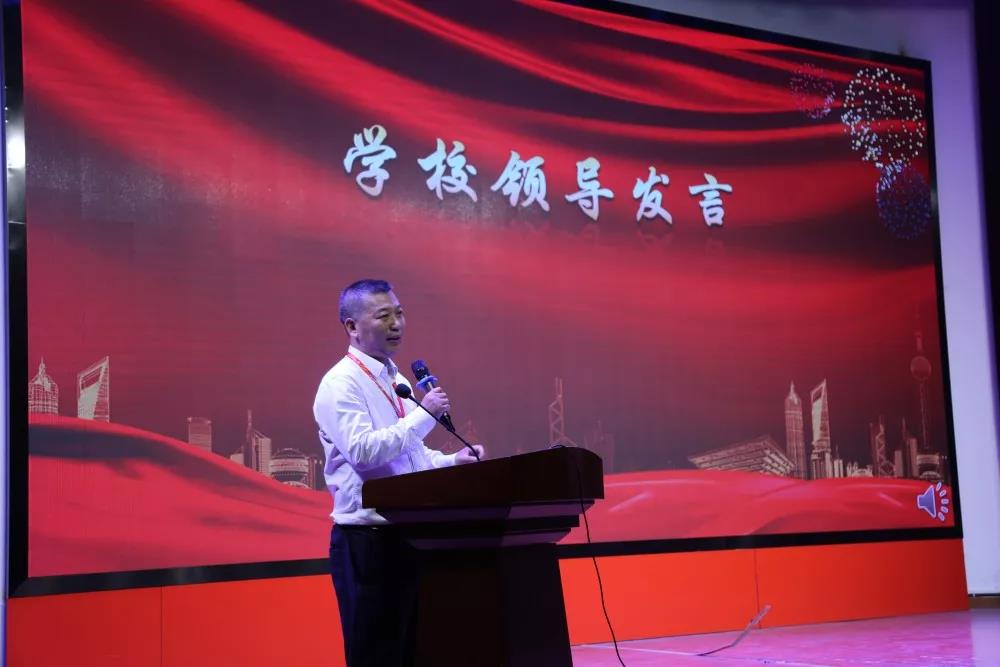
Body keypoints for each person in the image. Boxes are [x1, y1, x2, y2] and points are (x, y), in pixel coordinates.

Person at [313, 278, 483, 667]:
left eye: (400, 313)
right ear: (352, 326)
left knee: (414, 650)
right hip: (368, 542)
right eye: (383, 316)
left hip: (411, 535)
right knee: (377, 654)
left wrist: (451, 462)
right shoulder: (340, 384)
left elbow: (409, 456)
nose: (396, 324)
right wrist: (425, 415)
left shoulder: (398, 379)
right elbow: (364, 452)